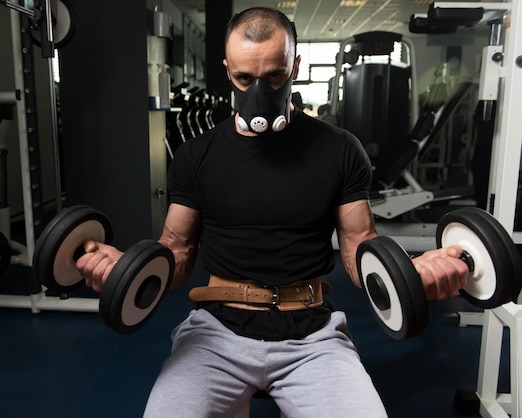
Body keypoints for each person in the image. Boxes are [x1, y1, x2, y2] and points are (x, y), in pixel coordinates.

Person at [76, 7, 469, 417]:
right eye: (244, 78)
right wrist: (130, 269)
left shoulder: (339, 148)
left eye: (275, 76)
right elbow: (175, 251)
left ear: (295, 65)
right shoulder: (196, 155)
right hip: (216, 333)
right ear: (227, 69)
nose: (258, 91)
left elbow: (358, 247)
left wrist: (410, 272)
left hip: (312, 336)